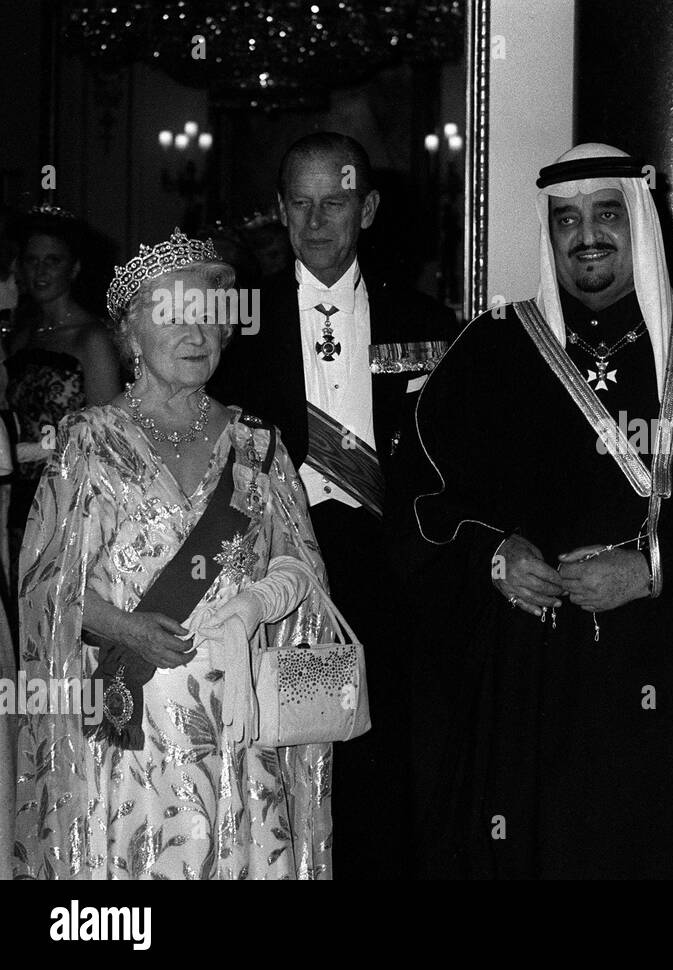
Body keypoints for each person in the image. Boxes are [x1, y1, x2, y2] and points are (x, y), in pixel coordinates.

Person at [390, 143, 673, 878]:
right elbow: (423, 496)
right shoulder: (492, 350)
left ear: (639, 222)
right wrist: (496, 554)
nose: (587, 236)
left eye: (606, 214)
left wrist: (650, 570)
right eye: (567, 220)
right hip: (533, 672)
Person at [11, 230, 332, 879]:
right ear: (129, 335)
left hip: (243, 735)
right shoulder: (89, 445)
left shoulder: (257, 445)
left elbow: (305, 574)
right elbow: (45, 592)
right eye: (173, 315)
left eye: (210, 318)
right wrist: (127, 626)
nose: (196, 334)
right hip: (129, 743)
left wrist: (256, 603)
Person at [207, 131, 457, 879]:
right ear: (281, 212)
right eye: (302, 204)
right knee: (299, 762)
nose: (318, 222)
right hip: (285, 576)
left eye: (336, 202)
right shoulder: (236, 328)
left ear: (368, 208)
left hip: (392, 578)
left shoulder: (426, 323)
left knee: (382, 768)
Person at [4, 207, 120, 555]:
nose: (40, 271)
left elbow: (108, 433)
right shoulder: (22, 336)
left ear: (74, 268)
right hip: (16, 497)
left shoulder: (91, 339)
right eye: (32, 260)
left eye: (52, 260)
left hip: (67, 497)